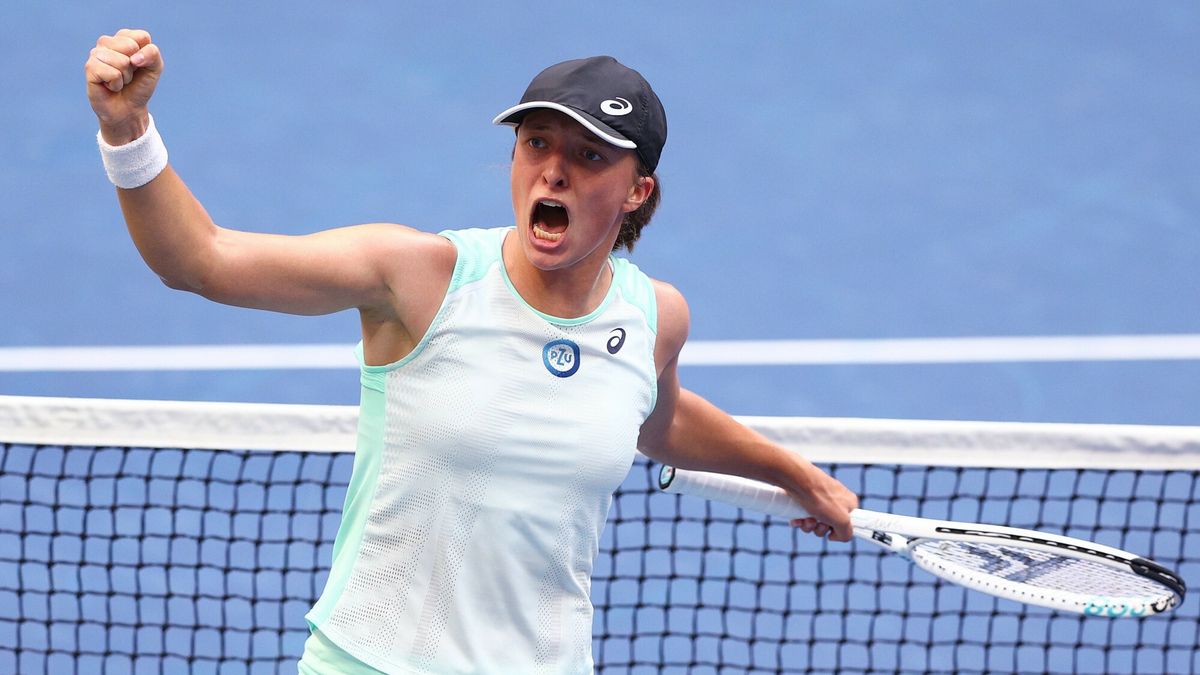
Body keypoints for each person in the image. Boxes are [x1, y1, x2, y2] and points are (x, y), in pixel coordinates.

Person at [86, 28, 859, 675]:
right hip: (374, 662)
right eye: (537, 142)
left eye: (591, 156)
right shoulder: (418, 278)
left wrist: (796, 475)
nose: (553, 167)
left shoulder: (655, 316)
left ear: (637, 192)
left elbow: (657, 421)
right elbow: (201, 260)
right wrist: (128, 131)